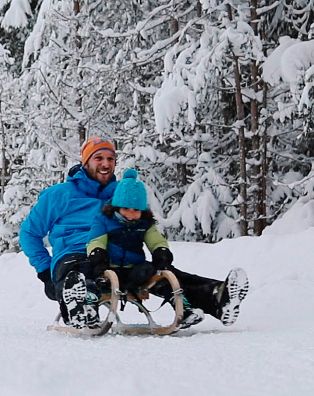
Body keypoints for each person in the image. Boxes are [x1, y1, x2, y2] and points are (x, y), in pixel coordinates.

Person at [19, 137, 248, 329]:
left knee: (161, 272)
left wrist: (158, 251)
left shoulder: (122, 194)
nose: (105, 163)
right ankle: (80, 309)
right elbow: (29, 233)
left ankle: (217, 297)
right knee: (78, 270)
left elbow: (144, 223)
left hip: (115, 256)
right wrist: (44, 271)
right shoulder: (59, 195)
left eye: (110, 159)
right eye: (98, 158)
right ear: (85, 161)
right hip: (75, 254)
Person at [83, 168, 205, 328]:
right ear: (117, 207)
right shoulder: (104, 220)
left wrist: (162, 255)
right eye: (126, 208)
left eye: (136, 210)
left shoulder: (145, 224)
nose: (130, 214)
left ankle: (184, 309)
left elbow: (156, 241)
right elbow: (96, 242)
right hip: (107, 269)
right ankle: (89, 311)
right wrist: (99, 262)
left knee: (161, 275)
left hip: (133, 270)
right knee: (85, 271)